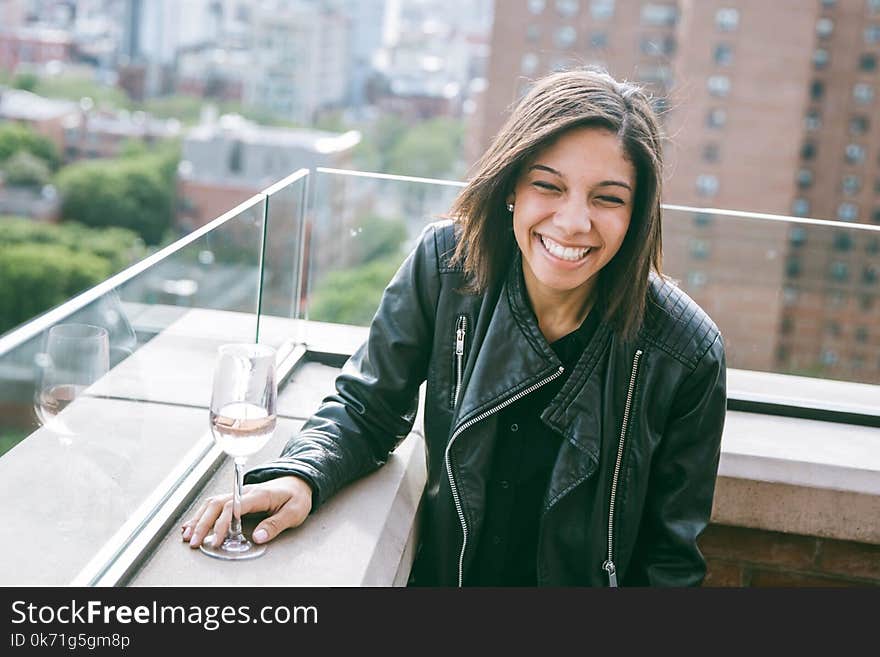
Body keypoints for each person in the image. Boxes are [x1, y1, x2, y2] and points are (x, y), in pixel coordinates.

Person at [181, 67, 727, 587]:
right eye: (549, 186)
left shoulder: (683, 351)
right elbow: (368, 405)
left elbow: (668, 561)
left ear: (636, 217)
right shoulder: (446, 265)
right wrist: (304, 474)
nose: (573, 221)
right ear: (511, 185)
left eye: (607, 198)